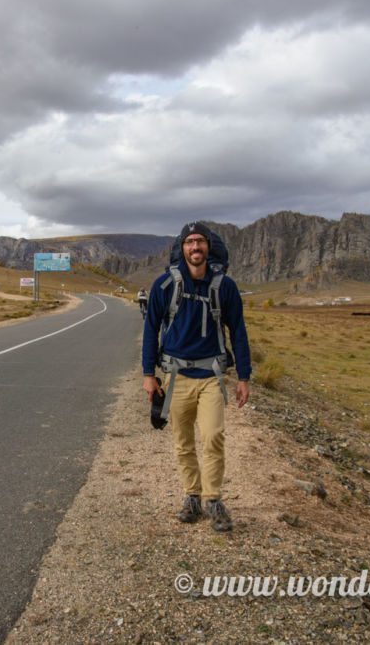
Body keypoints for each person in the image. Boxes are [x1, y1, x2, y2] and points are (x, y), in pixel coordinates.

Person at [142, 222, 251, 532]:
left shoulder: (224, 287)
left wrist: (244, 377)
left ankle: (213, 499)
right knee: (182, 442)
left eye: (200, 242)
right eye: (189, 242)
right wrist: (148, 374)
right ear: (182, 248)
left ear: (208, 247)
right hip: (176, 377)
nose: (195, 248)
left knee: (213, 435)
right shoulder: (165, 285)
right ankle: (192, 496)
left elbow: (238, 332)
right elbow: (151, 328)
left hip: (211, 376)